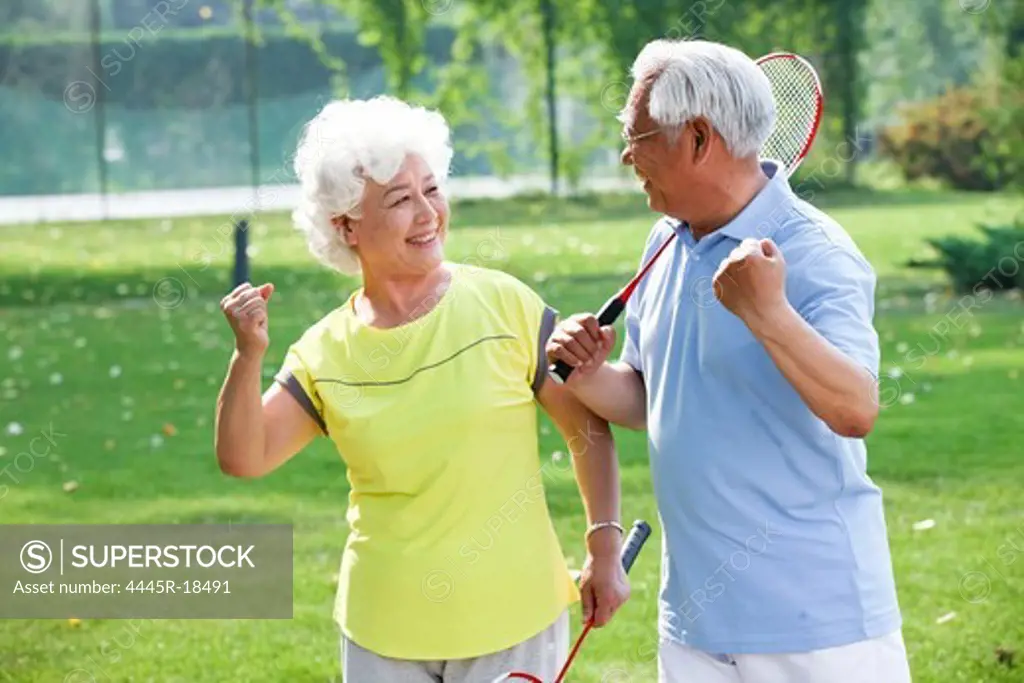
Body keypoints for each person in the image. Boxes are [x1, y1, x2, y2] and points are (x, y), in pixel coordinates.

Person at [214, 96, 629, 682]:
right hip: (383, 630)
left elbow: (585, 426)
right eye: (401, 199)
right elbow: (243, 457)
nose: (427, 213)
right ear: (345, 225)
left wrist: (604, 546)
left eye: (431, 190)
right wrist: (247, 355)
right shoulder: (324, 350)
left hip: (513, 618)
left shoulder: (505, 303)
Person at [545, 40, 913, 683]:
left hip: (815, 623)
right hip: (693, 620)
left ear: (697, 139)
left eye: (639, 138)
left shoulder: (817, 252)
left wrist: (767, 313)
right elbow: (650, 400)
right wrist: (588, 373)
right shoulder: (665, 239)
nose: (627, 156)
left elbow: (856, 409)